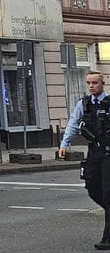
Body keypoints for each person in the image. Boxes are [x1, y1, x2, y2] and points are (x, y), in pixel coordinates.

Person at [59, 70, 110, 250]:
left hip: (108, 154)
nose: (91, 86)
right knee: (92, 189)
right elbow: (73, 123)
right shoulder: (84, 104)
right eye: (88, 83)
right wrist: (64, 144)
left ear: (102, 84)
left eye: (95, 83)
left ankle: (107, 239)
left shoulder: (109, 103)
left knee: (107, 193)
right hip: (94, 153)